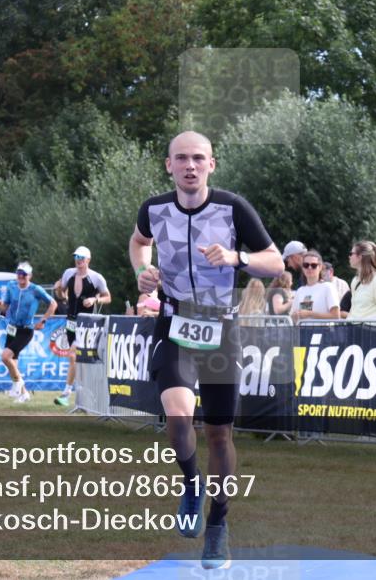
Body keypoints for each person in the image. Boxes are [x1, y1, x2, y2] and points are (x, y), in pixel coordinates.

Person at [129, 131, 284, 570]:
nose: (190, 166)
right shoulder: (154, 209)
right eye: (182, 158)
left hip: (220, 327)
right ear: (169, 165)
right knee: (178, 415)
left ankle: (218, 522)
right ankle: (191, 481)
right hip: (174, 323)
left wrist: (237, 259)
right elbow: (139, 242)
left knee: (219, 434)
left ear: (211, 164)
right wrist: (143, 272)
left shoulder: (233, 208)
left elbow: (275, 261)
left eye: (198, 158)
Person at [52, 246, 111, 407]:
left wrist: (94, 300)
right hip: (71, 322)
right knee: (78, 360)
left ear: (88, 260)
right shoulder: (68, 273)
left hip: (87, 324)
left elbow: (108, 297)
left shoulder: (96, 278)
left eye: (81, 257)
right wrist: (58, 289)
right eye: (76, 257)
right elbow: (62, 295)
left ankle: (66, 394)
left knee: (73, 356)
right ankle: (86, 394)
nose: (78, 260)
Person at [0, 262, 58, 404]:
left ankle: (18, 382)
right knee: (12, 363)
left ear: (30, 275)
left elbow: (53, 303)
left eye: (24, 274)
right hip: (12, 328)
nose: (21, 276)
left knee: (5, 357)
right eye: (19, 273)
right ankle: (24, 394)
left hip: (26, 330)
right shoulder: (11, 286)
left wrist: (43, 320)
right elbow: (5, 306)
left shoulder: (35, 289)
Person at [291, 250, 341, 323]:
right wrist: (295, 316)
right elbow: (293, 316)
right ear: (303, 268)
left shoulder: (328, 287)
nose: (309, 268)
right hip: (303, 329)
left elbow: (336, 316)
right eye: (306, 265)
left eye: (313, 265)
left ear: (320, 267)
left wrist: (309, 314)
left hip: (323, 329)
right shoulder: (300, 290)